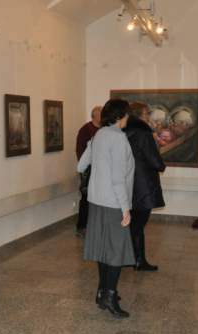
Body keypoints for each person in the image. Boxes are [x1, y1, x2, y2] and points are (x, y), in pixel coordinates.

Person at [77, 99, 135, 319]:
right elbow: (118, 178)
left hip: (96, 201)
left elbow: (81, 165)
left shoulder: (98, 134)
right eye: (126, 114)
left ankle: (102, 292)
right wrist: (126, 209)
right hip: (113, 202)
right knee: (116, 251)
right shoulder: (118, 138)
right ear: (120, 116)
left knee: (103, 248)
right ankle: (109, 296)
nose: (128, 118)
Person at [125, 102, 166, 271]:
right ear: (140, 115)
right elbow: (156, 162)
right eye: (147, 113)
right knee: (138, 224)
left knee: (132, 223)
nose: (149, 116)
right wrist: (160, 162)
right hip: (143, 185)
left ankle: (133, 259)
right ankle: (138, 260)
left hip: (126, 185)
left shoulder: (122, 131)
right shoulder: (144, 133)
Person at [75, 106, 102, 236]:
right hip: (88, 170)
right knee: (86, 198)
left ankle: (95, 226)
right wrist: (85, 168)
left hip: (100, 171)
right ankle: (82, 227)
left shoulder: (104, 130)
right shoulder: (86, 129)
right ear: (95, 116)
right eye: (101, 114)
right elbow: (80, 151)